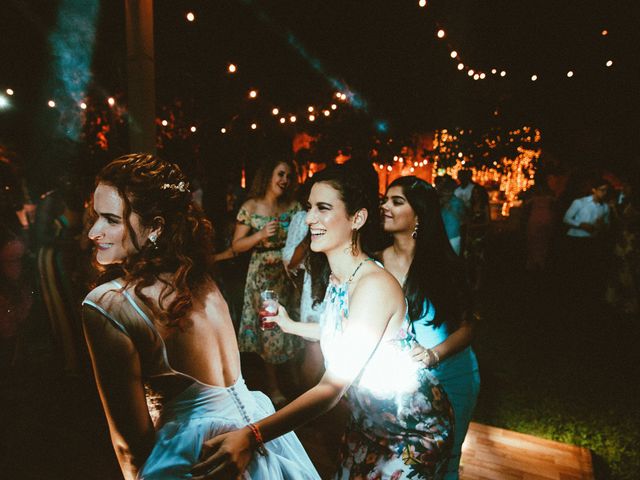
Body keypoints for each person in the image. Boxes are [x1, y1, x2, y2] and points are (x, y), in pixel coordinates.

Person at [193, 165, 454, 480]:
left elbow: (331, 388)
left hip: (411, 432)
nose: (309, 218)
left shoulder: (372, 285)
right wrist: (289, 324)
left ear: (356, 218)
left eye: (323, 208)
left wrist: (253, 434)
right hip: (367, 425)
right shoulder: (340, 277)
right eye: (308, 208)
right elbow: (347, 335)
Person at [81, 154, 319, 480]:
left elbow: (130, 448)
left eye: (111, 219)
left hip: (200, 458)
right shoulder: (200, 280)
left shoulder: (107, 305)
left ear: (155, 228)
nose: (95, 231)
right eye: (96, 216)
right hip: (261, 448)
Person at [379, 176, 480, 479]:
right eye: (384, 199)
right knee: (400, 461)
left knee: (444, 461)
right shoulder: (373, 263)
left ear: (419, 214)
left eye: (396, 201)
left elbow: (468, 326)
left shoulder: (442, 265)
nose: (385, 206)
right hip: (399, 384)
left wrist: (433, 355)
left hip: (451, 377)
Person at [232, 157, 303, 406]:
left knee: (291, 324)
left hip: (287, 275)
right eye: (281, 174)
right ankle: (274, 387)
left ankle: (295, 378)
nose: (285, 180)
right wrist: (260, 235)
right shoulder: (251, 207)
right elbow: (237, 245)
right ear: (268, 176)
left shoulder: (294, 207)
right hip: (261, 277)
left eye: (289, 176)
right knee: (268, 327)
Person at [562, 178, 611, 297]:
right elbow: (566, 218)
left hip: (592, 239)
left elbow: (607, 223)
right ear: (594, 190)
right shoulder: (580, 202)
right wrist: (580, 225)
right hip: (576, 238)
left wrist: (603, 225)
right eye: (602, 190)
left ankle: (584, 292)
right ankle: (570, 292)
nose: (604, 193)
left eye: (606, 191)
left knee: (587, 268)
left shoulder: (605, 207)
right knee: (574, 267)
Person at [435, 174, 466, 255]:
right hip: (441, 237)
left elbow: (463, 220)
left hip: (454, 237)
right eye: (444, 191)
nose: (446, 193)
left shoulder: (458, 202)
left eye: (448, 191)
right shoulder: (438, 202)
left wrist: (451, 209)